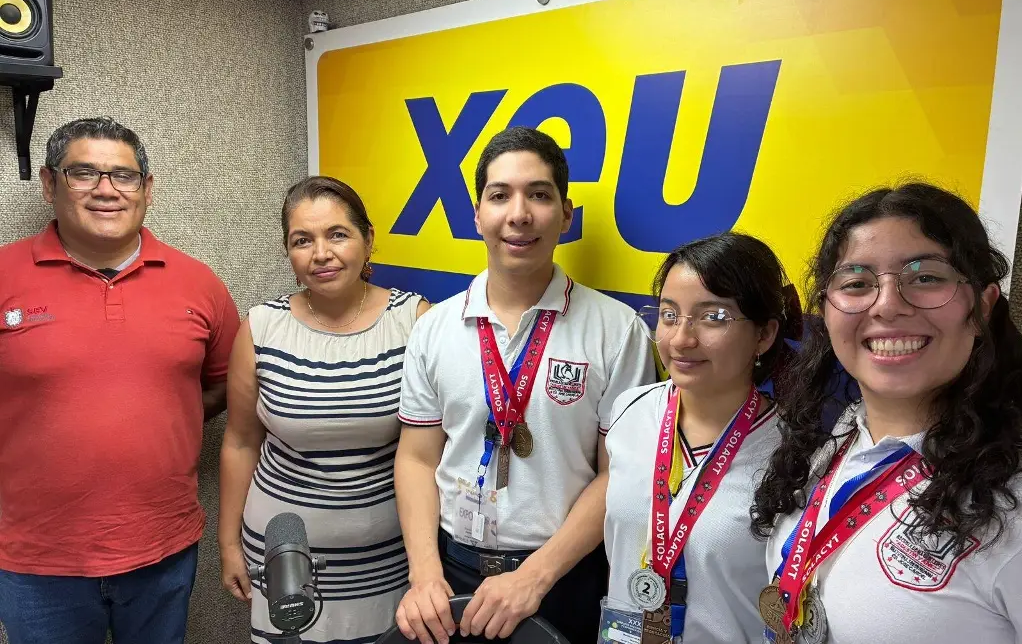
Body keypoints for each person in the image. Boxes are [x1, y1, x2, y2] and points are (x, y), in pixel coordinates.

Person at [394, 126, 655, 644]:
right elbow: (418, 458)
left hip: (563, 578)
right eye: (500, 196)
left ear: (566, 214)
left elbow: (620, 472)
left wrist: (536, 576)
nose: (519, 214)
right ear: (476, 215)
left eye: (538, 194)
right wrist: (424, 574)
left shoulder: (617, 329)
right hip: (450, 574)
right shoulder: (435, 328)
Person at [0, 117, 240, 644]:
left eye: (124, 176)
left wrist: (164, 413)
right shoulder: (4, 274)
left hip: (162, 550)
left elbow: (229, 384)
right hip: (36, 561)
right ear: (50, 184)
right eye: (84, 173)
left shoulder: (198, 283)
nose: (106, 190)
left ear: (146, 189)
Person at [751, 182, 1022, 644]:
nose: (888, 306)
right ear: (827, 312)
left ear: (982, 306)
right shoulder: (836, 437)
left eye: (926, 278)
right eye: (857, 283)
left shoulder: (1014, 500)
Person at [219, 176, 429, 644]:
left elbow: (431, 449)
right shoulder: (261, 327)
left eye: (337, 234)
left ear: (368, 240)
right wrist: (228, 543)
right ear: (288, 252)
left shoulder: (413, 321)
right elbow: (240, 441)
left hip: (388, 557)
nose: (321, 253)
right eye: (302, 240)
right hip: (284, 556)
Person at [602, 233, 801, 644]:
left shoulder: (796, 454)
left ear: (764, 335)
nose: (680, 339)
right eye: (669, 314)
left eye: (713, 317)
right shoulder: (630, 410)